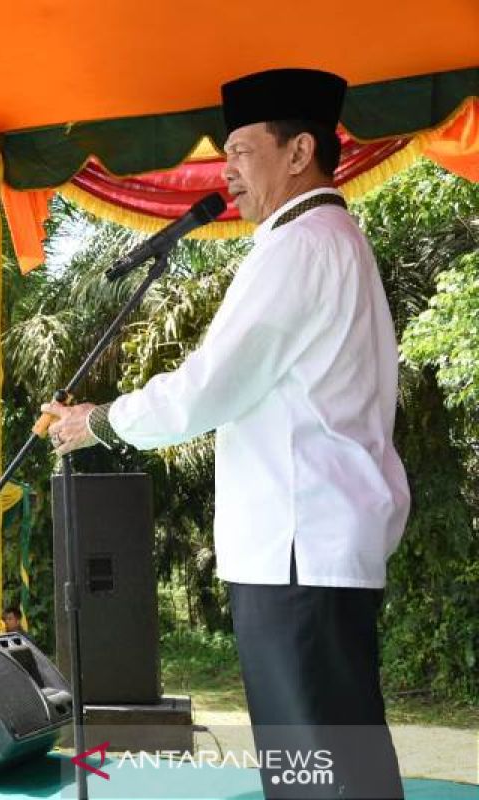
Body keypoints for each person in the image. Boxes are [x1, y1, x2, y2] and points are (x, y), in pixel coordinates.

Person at [43, 68, 406, 800]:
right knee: (340, 769)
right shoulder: (330, 239)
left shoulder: (299, 245)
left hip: (297, 553)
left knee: (319, 776)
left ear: (299, 151)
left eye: (241, 150)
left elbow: (210, 388)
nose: (228, 172)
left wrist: (100, 421)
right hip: (314, 548)